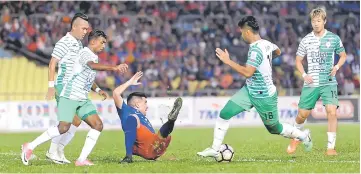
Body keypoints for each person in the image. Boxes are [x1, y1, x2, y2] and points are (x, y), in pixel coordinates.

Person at [197, 16, 313, 158]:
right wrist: (266, 62)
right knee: (225, 113)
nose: (241, 35)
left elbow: (247, 72)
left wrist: (228, 61)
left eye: (241, 32)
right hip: (249, 91)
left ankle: (303, 136)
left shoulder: (255, 50)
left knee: (274, 128)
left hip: (264, 96)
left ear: (247, 32)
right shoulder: (267, 44)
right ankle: (215, 149)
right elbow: (278, 52)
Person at [21, 29, 128, 166]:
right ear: (93, 41)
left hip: (82, 98)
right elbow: (91, 66)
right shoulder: (84, 53)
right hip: (70, 95)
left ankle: (81, 160)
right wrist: (114, 68)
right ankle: (30, 146)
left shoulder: (93, 57)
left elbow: (87, 77)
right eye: (102, 42)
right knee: (63, 127)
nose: (104, 46)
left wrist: (98, 89)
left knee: (97, 125)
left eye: (105, 43)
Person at [286, 7, 347, 156]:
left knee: (332, 112)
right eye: (314, 21)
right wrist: (304, 75)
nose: (316, 24)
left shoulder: (333, 38)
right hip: (311, 82)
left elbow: (343, 55)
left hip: (328, 81)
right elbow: (298, 60)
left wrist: (337, 66)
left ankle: (330, 148)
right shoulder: (306, 40)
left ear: (324, 21)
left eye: (319, 21)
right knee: (302, 114)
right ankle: (296, 137)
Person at [112, 72, 183, 163]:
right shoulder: (126, 110)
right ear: (137, 104)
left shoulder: (141, 117)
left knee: (158, 135)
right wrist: (129, 82)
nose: (147, 106)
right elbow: (115, 93)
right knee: (133, 118)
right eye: (145, 102)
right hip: (148, 146)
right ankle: (128, 156)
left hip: (154, 146)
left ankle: (171, 120)